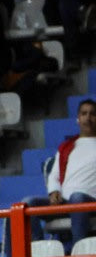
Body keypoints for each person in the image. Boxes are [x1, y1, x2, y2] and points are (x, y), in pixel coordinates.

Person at [16, 98, 96, 245]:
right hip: (64, 203)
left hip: (90, 202)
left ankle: (78, 251)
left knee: (77, 197)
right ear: (78, 119)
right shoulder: (67, 146)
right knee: (27, 203)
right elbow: (54, 175)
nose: (88, 117)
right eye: (84, 113)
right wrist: (54, 192)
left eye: (92, 114)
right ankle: (40, 249)